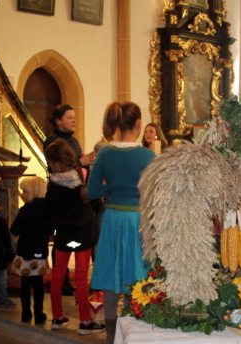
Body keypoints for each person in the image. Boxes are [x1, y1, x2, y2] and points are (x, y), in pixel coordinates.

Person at [87, 101, 155, 344]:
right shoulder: (147, 154)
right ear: (138, 124)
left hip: (113, 217)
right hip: (137, 219)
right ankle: (132, 330)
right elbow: (154, 191)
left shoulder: (105, 152)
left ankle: (110, 333)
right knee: (135, 273)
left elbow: (92, 190)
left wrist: (113, 187)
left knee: (110, 275)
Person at [44, 139, 105, 335]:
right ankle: (85, 322)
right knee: (80, 277)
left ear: (54, 162)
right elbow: (95, 204)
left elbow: (50, 212)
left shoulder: (52, 185)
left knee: (57, 276)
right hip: (82, 234)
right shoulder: (82, 176)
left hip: (64, 236)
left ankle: (57, 317)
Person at [44, 104, 95, 295]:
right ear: (58, 120)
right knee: (63, 247)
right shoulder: (52, 141)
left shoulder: (73, 141)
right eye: (69, 117)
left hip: (78, 198)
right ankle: (62, 281)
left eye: (75, 117)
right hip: (65, 201)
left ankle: (65, 286)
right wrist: (79, 163)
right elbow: (58, 167)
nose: (74, 120)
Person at [10, 177, 51, 324]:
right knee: (39, 285)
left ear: (32, 192)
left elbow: (14, 230)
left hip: (26, 253)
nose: (22, 194)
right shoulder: (48, 209)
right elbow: (51, 230)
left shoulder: (26, 210)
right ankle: (39, 313)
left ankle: (26, 313)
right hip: (40, 253)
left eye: (24, 191)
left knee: (25, 285)